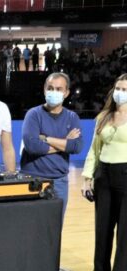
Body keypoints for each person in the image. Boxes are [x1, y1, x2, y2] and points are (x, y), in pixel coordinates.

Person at [82, 73, 127, 271]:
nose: (120, 93)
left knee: (124, 232)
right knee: (103, 227)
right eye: (118, 88)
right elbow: (93, 149)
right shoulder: (103, 117)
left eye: (125, 90)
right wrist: (87, 177)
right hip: (104, 176)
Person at [20, 72, 83, 219]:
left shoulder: (72, 117)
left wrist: (45, 138)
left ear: (66, 93)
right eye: (50, 88)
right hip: (32, 180)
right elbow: (32, 146)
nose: (54, 92)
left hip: (59, 182)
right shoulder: (33, 114)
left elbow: (77, 146)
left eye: (59, 89)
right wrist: (64, 141)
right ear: (44, 89)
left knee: (54, 232)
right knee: (29, 230)